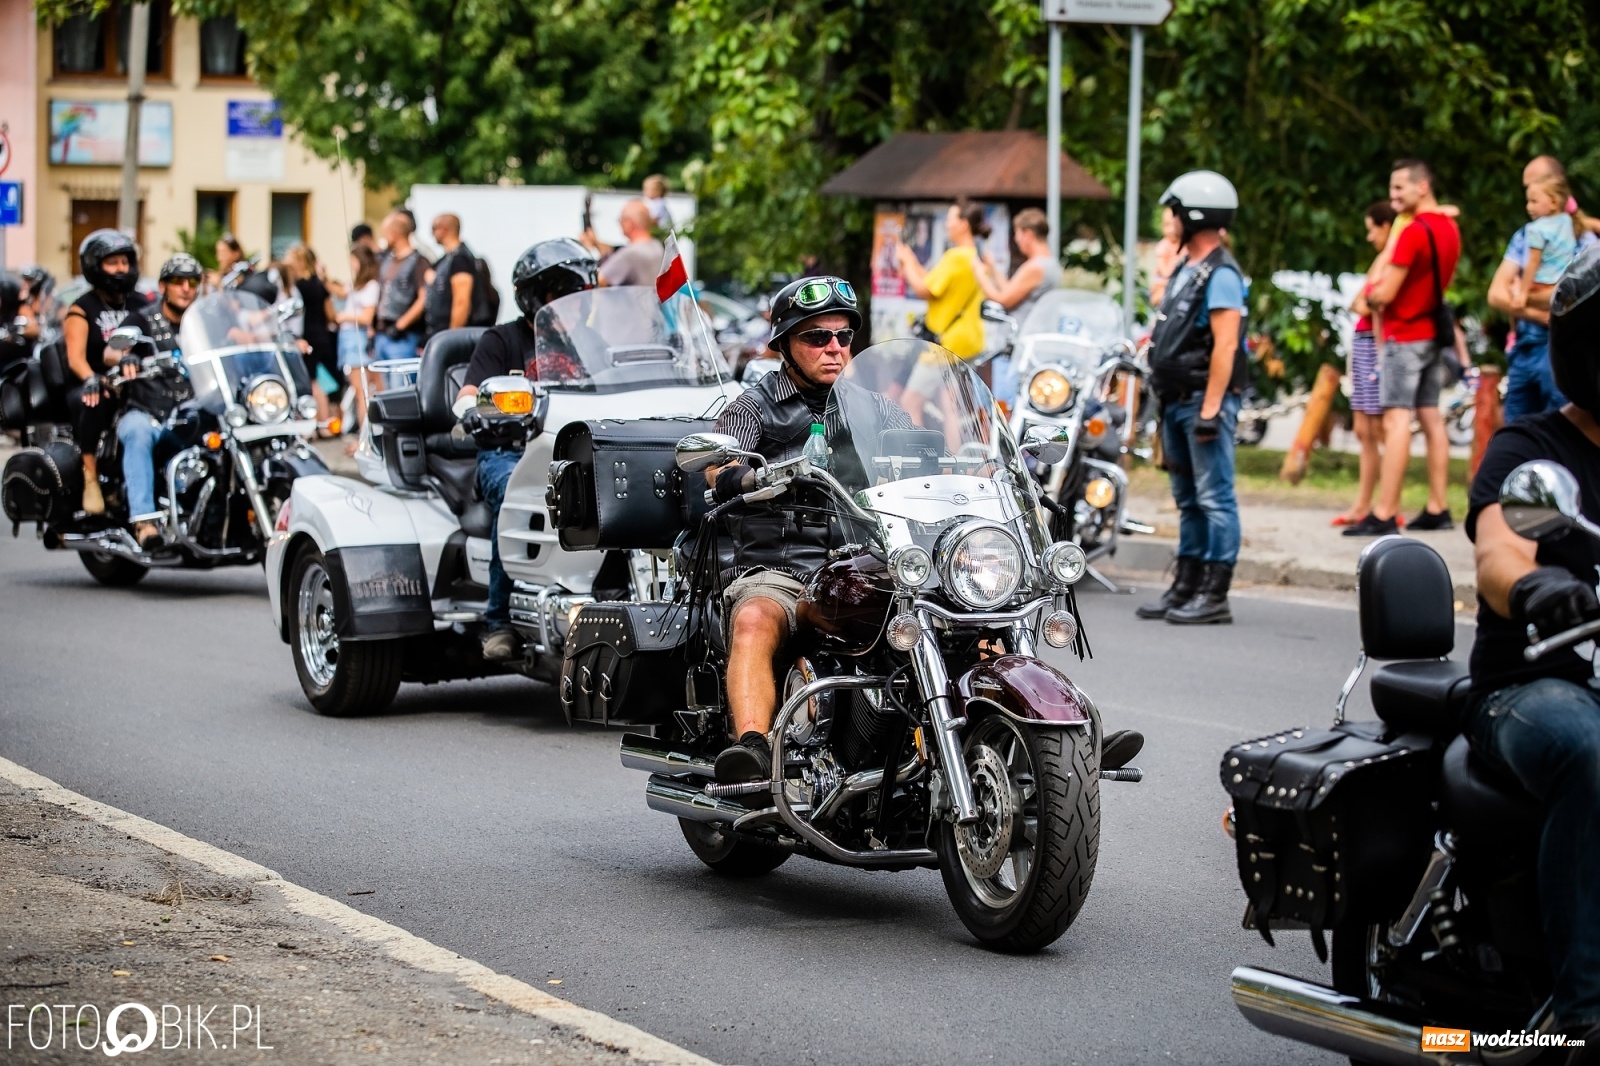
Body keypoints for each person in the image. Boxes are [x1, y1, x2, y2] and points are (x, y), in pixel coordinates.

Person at [1463, 242, 1600, 1052]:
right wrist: (1536, 585)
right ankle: (1584, 1008)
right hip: (1531, 687)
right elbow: (1497, 556)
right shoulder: (1531, 449)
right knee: (1591, 751)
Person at [454, 238, 598, 662]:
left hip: (575, 449)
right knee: (516, 497)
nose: (576, 305)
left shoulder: (590, 344)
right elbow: (467, 395)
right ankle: (499, 621)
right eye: (566, 295)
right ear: (537, 296)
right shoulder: (502, 340)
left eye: (581, 295)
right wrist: (473, 410)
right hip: (509, 453)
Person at [1135, 171, 1248, 625]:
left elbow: (1226, 345)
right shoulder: (1188, 268)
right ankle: (1185, 585)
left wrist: (1211, 408)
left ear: (1195, 216)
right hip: (1175, 400)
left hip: (1202, 401)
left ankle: (1214, 594)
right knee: (1188, 499)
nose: (1170, 220)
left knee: (1214, 498)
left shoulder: (1222, 274)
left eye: (1174, 212)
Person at [1348, 159, 1468, 536]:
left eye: (1399, 187)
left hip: (1404, 335)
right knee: (1430, 416)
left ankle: (1385, 512)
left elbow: (1385, 293)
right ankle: (1438, 505)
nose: (1393, 196)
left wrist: (1370, 296)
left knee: (1396, 419)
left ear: (1422, 186)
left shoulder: (1413, 232)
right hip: (1432, 333)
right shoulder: (1449, 228)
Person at [115, 254, 200, 548]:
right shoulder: (142, 319)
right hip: (148, 412)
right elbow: (115, 349)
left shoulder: (201, 324)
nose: (186, 288)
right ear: (163, 286)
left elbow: (235, 338)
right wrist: (128, 358)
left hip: (190, 413)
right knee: (137, 431)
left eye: (193, 282)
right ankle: (144, 521)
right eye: (178, 281)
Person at [64, 229, 149, 515]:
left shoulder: (142, 304)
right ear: (94, 265)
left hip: (136, 379)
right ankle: (90, 475)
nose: (121, 268)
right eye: (113, 262)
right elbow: (75, 359)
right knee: (95, 399)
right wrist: (91, 378)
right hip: (93, 381)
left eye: (125, 262)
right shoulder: (82, 308)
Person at [1337, 202, 1399, 528]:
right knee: (1363, 429)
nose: (1369, 236)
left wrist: (1366, 301)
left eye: (1372, 229)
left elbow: (1369, 302)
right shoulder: (1383, 258)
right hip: (1362, 341)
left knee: (1378, 428)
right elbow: (1359, 302)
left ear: (1387, 226)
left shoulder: (1394, 258)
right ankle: (1362, 502)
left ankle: (1384, 503)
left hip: (1377, 343)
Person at [975, 207, 1060, 406]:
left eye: (1018, 234)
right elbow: (1012, 290)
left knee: (1006, 408)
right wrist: (993, 270)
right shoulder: (1050, 264)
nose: (1017, 240)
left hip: (1016, 350)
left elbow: (1003, 299)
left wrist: (980, 275)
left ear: (1028, 234)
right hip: (1029, 347)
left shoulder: (1035, 267)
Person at [895, 199, 987, 361]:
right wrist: (912, 261)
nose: (947, 225)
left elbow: (925, 290)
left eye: (950, 219)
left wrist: (907, 263)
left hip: (950, 342)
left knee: (917, 379)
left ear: (964, 225)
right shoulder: (973, 254)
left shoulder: (956, 257)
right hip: (970, 340)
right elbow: (931, 280)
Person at [283, 244, 338, 430]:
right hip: (321, 335)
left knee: (310, 383)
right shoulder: (318, 284)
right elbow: (330, 313)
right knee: (315, 381)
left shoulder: (299, 287)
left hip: (307, 338)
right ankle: (323, 423)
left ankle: (317, 424)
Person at [336, 244, 381, 443]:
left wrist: (344, 316)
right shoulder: (359, 285)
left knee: (362, 391)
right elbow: (341, 291)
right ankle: (366, 436)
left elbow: (367, 316)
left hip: (358, 340)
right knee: (361, 391)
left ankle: (366, 438)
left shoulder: (371, 285)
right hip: (351, 339)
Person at [373, 211, 430, 366]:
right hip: (382, 334)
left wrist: (401, 324)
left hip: (404, 336)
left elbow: (424, 298)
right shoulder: (387, 261)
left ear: (395, 233)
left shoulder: (418, 261)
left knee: (401, 380)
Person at [423, 213, 477, 339]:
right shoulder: (447, 259)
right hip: (438, 333)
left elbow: (461, 303)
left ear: (444, 229)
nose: (432, 234)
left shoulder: (460, 259)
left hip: (448, 334)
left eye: (434, 228)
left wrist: (451, 338)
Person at [596, 201, 665, 288]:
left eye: (621, 219)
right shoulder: (657, 246)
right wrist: (595, 243)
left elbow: (600, 280)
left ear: (629, 223)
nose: (620, 223)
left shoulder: (631, 254)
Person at [1148, 205, 1184, 307]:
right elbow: (1165, 271)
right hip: (1164, 280)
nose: (1171, 230)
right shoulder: (1163, 246)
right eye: (1167, 225)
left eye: (1173, 225)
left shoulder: (1184, 245)